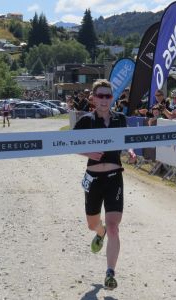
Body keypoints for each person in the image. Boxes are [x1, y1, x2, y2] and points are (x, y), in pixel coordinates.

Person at [73, 79, 136, 290]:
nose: (103, 100)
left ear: (112, 98)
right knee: (93, 224)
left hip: (114, 178)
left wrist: (130, 151)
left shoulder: (120, 119)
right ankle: (99, 233)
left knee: (114, 226)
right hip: (93, 179)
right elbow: (69, 144)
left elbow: (125, 142)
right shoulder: (86, 121)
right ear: (93, 98)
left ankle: (110, 272)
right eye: (100, 96)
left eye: (107, 96)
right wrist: (87, 152)